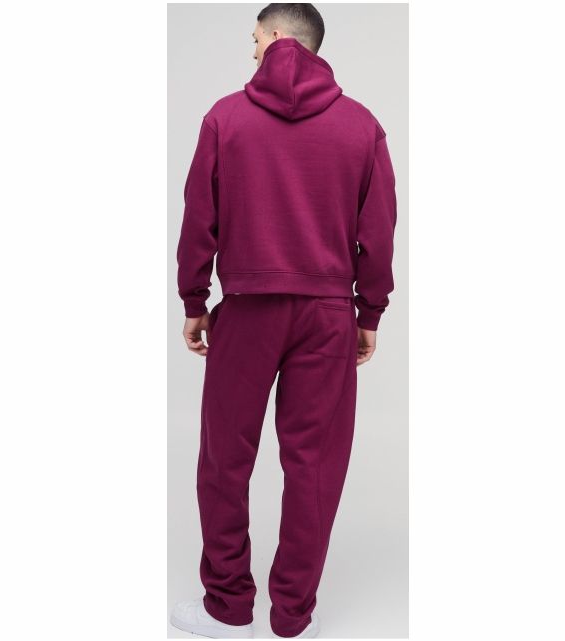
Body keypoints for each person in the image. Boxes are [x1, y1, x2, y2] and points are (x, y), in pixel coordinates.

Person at [171, 4, 397, 638]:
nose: (252, 51)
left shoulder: (225, 118)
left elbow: (199, 218)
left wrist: (195, 301)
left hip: (247, 310)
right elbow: (379, 231)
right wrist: (369, 310)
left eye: (253, 39)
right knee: (315, 465)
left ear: (274, 37)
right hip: (328, 315)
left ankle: (227, 608)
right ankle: (292, 618)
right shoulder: (361, 126)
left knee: (224, 459)